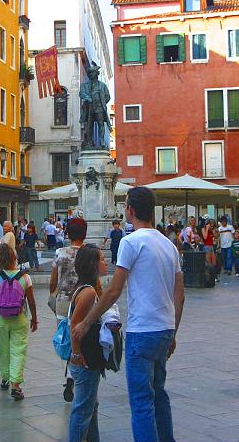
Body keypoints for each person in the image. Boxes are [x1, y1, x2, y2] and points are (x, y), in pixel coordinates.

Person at [73, 187, 184, 442]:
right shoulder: (169, 245)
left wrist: (87, 322)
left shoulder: (130, 242)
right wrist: (173, 332)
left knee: (142, 401)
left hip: (142, 330)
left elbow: (113, 290)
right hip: (165, 328)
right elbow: (180, 296)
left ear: (130, 210)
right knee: (159, 393)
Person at [67, 244, 109, 442]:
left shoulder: (89, 288)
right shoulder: (89, 292)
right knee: (83, 409)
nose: (105, 261)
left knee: (90, 406)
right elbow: (75, 324)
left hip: (86, 357)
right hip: (85, 358)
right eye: (101, 258)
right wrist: (76, 353)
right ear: (93, 265)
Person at [0, 243, 38, 400]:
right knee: (18, 350)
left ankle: (4, 377)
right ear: (15, 258)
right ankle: (15, 385)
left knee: (4, 350)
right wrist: (34, 318)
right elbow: (31, 300)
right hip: (19, 318)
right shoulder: (25, 277)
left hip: (1, 319)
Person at [49, 217, 90, 401]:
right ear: (85, 233)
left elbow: (52, 280)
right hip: (83, 302)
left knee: (67, 338)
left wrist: (53, 295)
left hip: (63, 302)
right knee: (82, 338)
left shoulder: (60, 253)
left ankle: (69, 375)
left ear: (67, 233)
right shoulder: (90, 253)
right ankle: (76, 375)